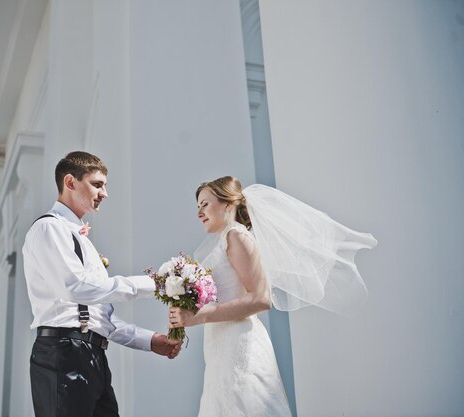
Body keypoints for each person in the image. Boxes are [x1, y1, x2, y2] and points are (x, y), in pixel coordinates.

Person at [168, 176, 377, 417]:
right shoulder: (223, 243)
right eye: (198, 207)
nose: (199, 212)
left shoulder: (236, 236)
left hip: (239, 345)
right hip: (220, 347)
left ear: (228, 204)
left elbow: (261, 299)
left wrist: (199, 317)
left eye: (205, 204)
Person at [22, 151, 181, 417]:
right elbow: (76, 287)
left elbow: (99, 317)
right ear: (70, 182)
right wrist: (154, 284)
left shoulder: (82, 239)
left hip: (93, 355)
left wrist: (150, 341)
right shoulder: (49, 228)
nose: (104, 193)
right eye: (97, 184)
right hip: (63, 352)